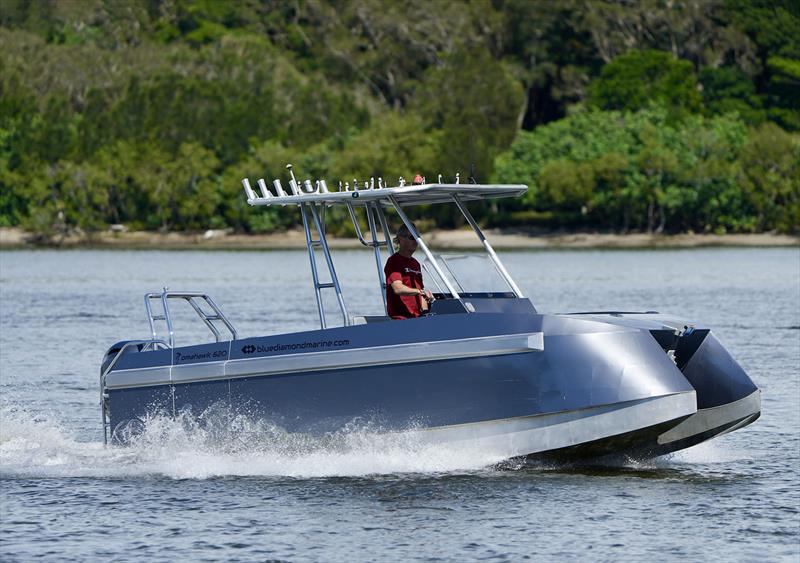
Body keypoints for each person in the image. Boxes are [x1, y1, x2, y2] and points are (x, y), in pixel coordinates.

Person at [384, 224, 434, 320]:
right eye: (412, 237)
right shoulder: (394, 261)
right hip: (401, 319)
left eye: (417, 237)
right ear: (401, 239)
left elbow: (421, 291)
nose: (415, 240)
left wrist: (425, 312)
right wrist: (420, 292)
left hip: (416, 318)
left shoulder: (416, 263)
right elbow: (398, 288)